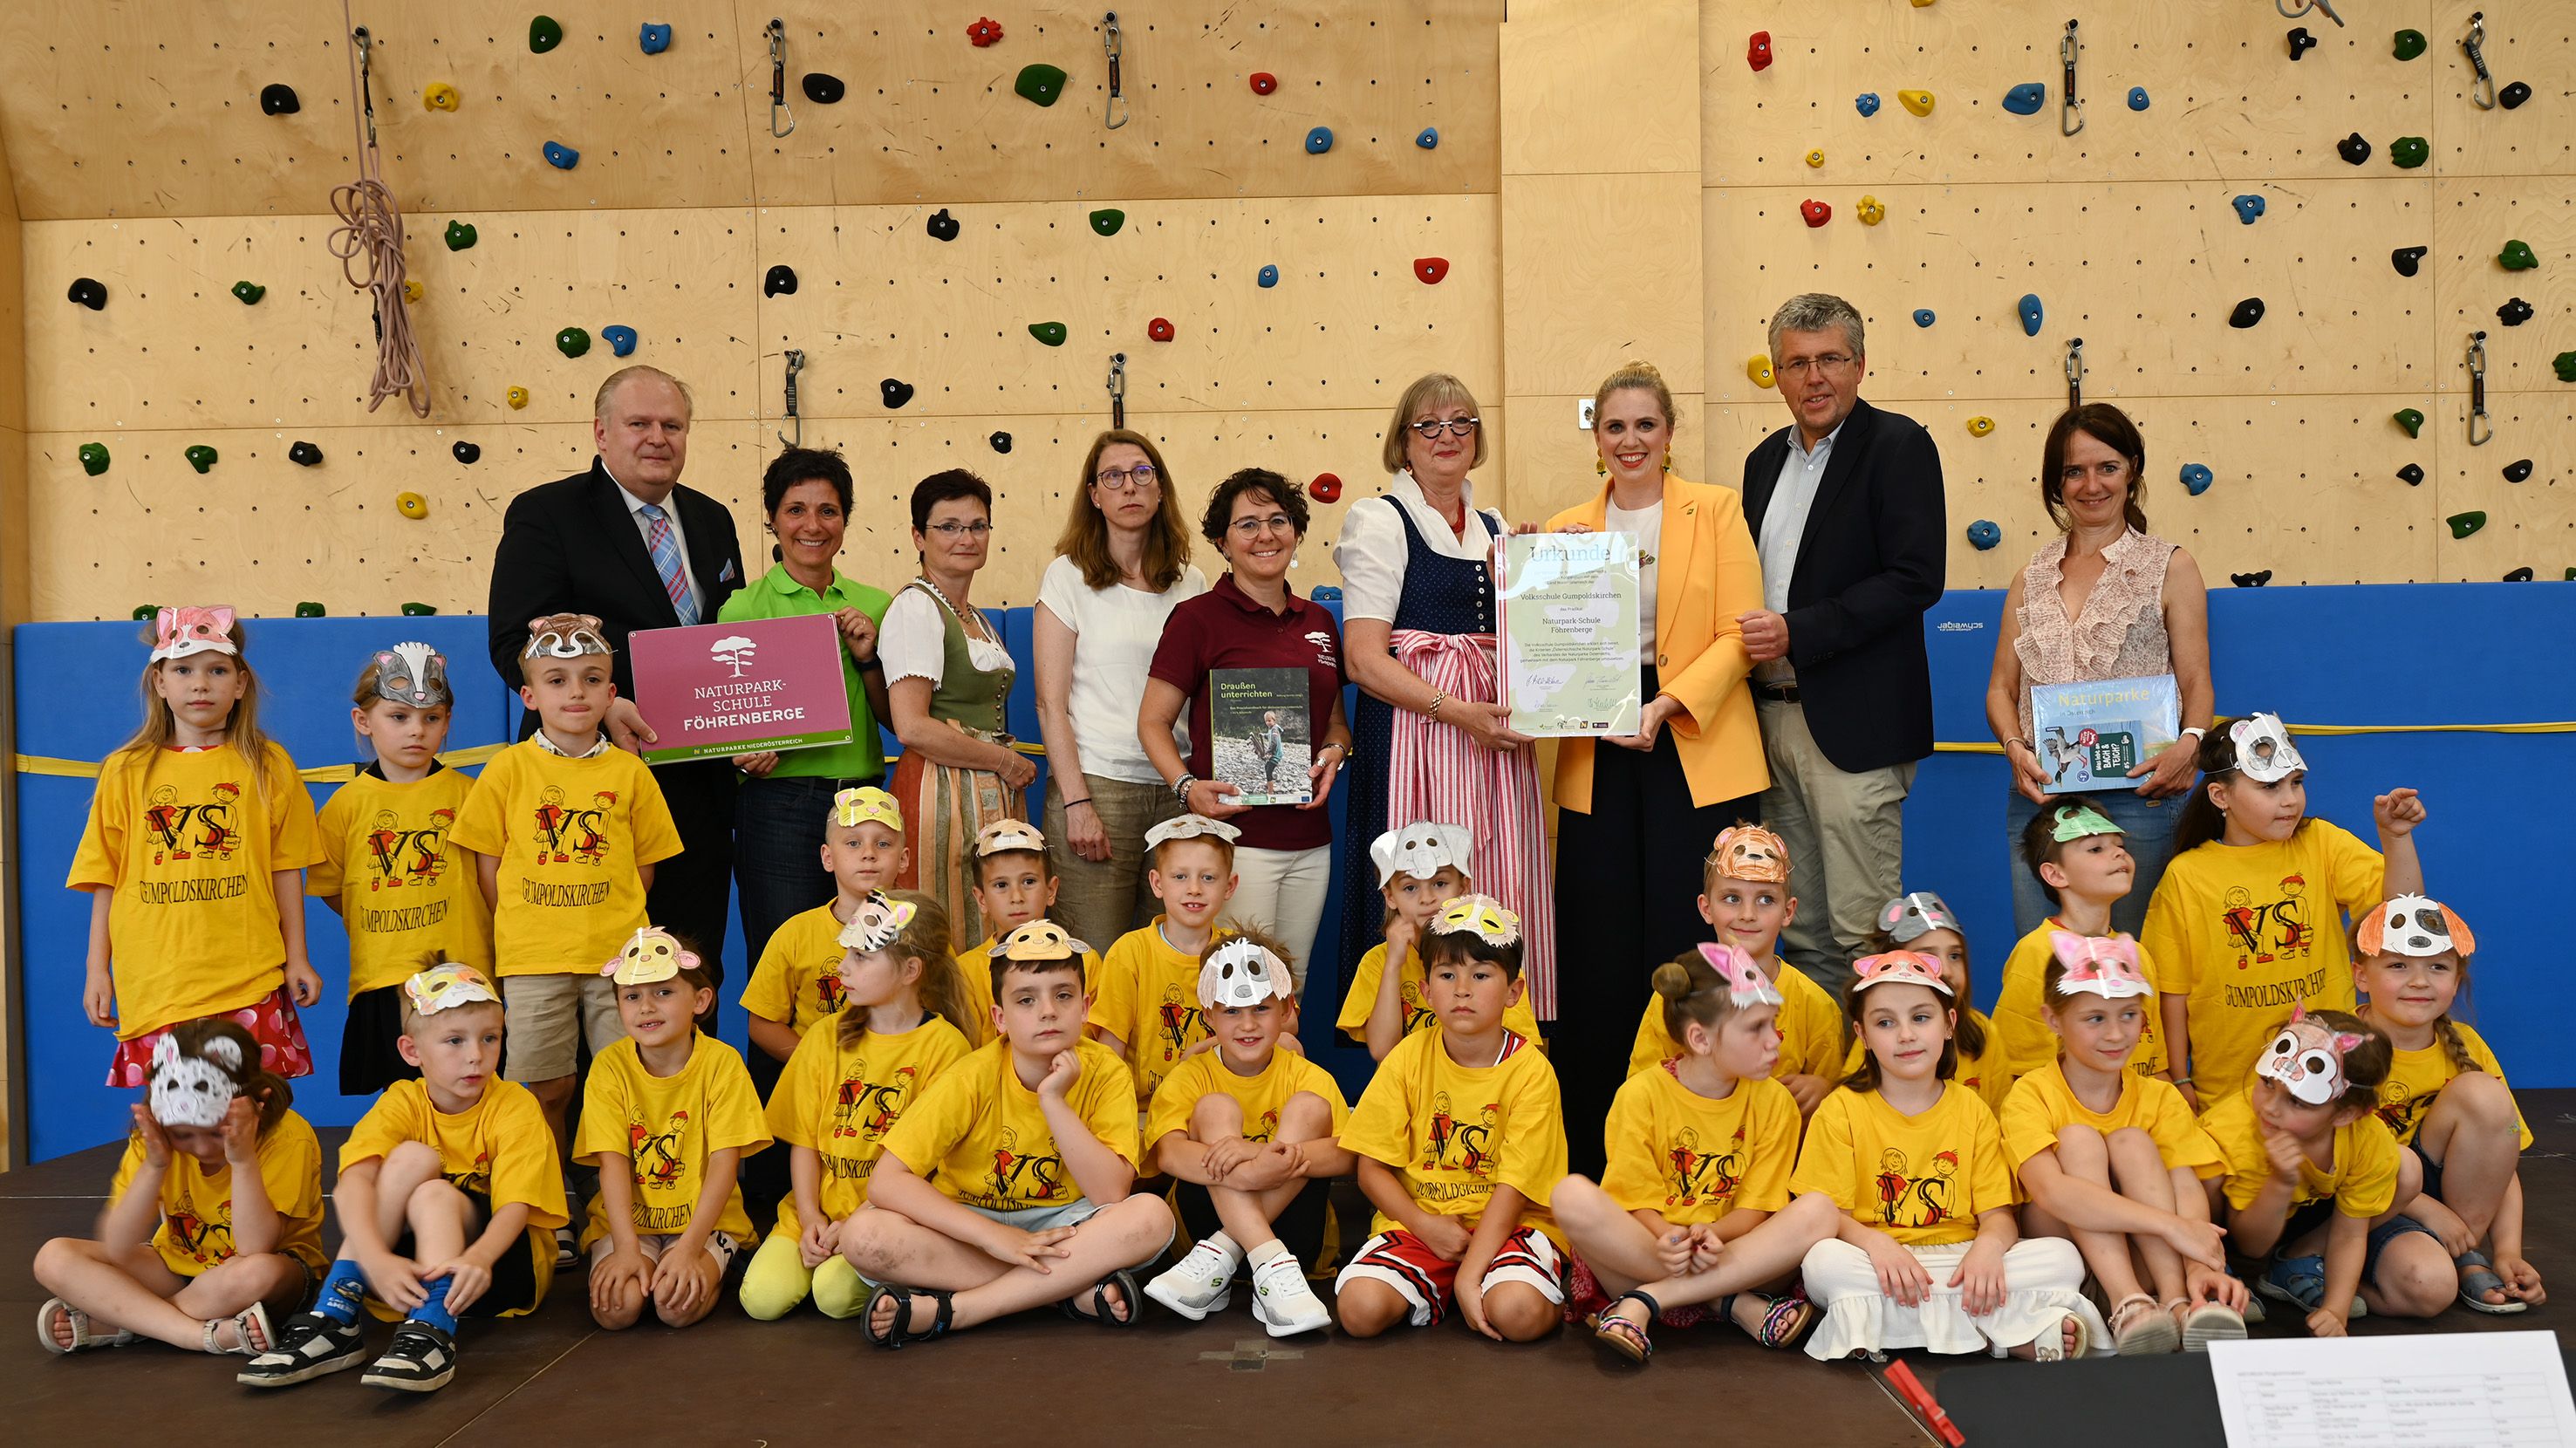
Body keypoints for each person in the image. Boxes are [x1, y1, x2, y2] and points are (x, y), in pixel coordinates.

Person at [1548, 361, 1770, 1147]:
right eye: (1615, 426)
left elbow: (1744, 630)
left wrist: (1666, 705)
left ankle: (1704, 1134)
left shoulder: (1715, 509)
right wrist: (1552, 579)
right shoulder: (1563, 527)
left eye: (1646, 424)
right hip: (1595, 744)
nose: (1630, 439)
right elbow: (1543, 649)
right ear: (1596, 438)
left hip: (1694, 735)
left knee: (1688, 941)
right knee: (1599, 947)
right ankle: (1597, 1146)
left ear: (1669, 434)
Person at [487, 365, 745, 1021]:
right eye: (640, 424)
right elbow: (514, 641)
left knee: (689, 960)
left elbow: (727, 638)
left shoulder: (713, 520)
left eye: (672, 425)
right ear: (602, 433)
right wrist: (606, 706)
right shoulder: (547, 513)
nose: (657, 438)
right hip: (585, 789)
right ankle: (590, 1121)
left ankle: (688, 1112)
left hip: (698, 787)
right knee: (592, 977)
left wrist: (756, 725)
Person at [1739, 295, 1946, 998]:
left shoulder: (1898, 445)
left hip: (1852, 727)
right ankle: (1825, 1089)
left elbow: (1916, 578)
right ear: (1775, 375)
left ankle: (1879, 1094)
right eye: (1796, 363)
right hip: (1768, 719)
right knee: (1795, 931)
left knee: (1864, 930)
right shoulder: (1761, 461)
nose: (1814, 377)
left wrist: (1800, 630)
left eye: (1829, 358)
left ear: (1859, 365)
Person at [840, 920, 1178, 1343]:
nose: (1048, 1010)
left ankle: (956, 1311)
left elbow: (1110, 1193)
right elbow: (886, 1182)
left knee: (1152, 1217)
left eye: (1064, 995)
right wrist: (997, 1237)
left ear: (1086, 1006)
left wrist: (1053, 1101)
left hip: (1067, 1225)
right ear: (1000, 1018)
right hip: (973, 1228)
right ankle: (1068, 1293)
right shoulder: (971, 1075)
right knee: (864, 1236)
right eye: (1026, 1000)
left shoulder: (1106, 1070)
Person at [239, 965, 567, 1394]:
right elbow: (354, 1182)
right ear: (412, 1052)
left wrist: (480, 1258)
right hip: (409, 1271)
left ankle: (432, 1329)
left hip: (492, 1267)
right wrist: (375, 1259)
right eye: (455, 1041)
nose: (476, 1055)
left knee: (433, 1192)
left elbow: (516, 1206)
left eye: (490, 1038)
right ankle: (337, 1311)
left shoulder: (513, 1104)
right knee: (411, 1158)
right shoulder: (403, 1100)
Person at [1333, 372, 1549, 1014]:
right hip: (1415, 740)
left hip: (1489, 745)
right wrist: (1456, 712)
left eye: (1462, 423)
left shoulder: (1494, 526)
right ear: (1403, 442)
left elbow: (1526, 641)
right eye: (1428, 425)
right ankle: (1410, 1055)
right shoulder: (1379, 519)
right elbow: (1364, 660)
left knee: (1489, 873)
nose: (1446, 436)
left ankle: (1497, 1036)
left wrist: (1549, 574)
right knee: (1418, 887)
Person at [448, 615, 682, 1184]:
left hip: (617, 959)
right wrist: (525, 924)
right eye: (556, 680)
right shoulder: (506, 770)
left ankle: (622, 1204)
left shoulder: (630, 774)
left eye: (590, 678)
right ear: (528, 694)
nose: (575, 692)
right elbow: (488, 864)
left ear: (611, 691)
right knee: (546, 1088)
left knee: (625, 1084)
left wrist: (611, 917)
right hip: (533, 959)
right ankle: (551, 1207)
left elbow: (644, 865)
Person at [1793, 951, 2105, 1363]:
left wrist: (1988, 1250)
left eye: (1921, 1018)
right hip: (1876, 1260)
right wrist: (1878, 1246)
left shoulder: (1972, 1109)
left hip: (1960, 1258)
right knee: (1823, 1264)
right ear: (1863, 1035)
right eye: (1885, 1022)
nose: (1905, 1035)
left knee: (2062, 1259)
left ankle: (1894, 1330)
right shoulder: (1841, 1108)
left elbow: (1998, 1216)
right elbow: (1832, 1217)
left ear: (1949, 1025)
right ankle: (1997, 1334)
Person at [1986, 405, 2215, 939]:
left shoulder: (2170, 566)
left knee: (2136, 959)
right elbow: (2001, 688)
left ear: (2132, 469)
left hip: (2139, 799)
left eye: (2106, 467)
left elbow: (2197, 681)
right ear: (2055, 483)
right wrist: (2014, 749)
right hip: (2039, 800)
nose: (2091, 485)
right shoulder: (2031, 577)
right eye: (2074, 471)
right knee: (2048, 961)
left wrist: (2191, 743)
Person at [1552, 946, 1840, 1365]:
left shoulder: (1776, 1102)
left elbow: (1758, 1208)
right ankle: (1731, 1304)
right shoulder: (1640, 1096)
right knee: (1570, 1195)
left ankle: (1647, 1300)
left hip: (1736, 1250)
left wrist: (1717, 1234)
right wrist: (1669, 1237)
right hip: (1653, 1249)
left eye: (1773, 1025)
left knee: (1819, 1209)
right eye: (1755, 1028)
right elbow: (1635, 1201)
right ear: (1701, 1039)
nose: (1773, 1040)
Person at [72, 605, 323, 1084]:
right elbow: (105, 876)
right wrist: (96, 970)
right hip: (157, 978)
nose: (200, 684)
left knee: (248, 1114)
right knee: (175, 1119)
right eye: (183, 670)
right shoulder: (125, 769)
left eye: (217, 670)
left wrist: (298, 956)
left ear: (240, 684)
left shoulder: (267, 764)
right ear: (159, 682)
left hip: (247, 975)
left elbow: (286, 868)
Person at [2142, 714, 2425, 1106]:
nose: (2290, 799)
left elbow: (2401, 914)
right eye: (2269, 786)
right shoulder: (2186, 875)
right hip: (2230, 1091)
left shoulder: (2320, 843)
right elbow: (2171, 990)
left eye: (2296, 782)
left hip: (2331, 1079)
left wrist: (2396, 839)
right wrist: (2179, 1076)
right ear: (2220, 797)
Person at [1143, 469, 1353, 980]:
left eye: (1278, 521)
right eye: (1248, 524)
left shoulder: (1320, 623)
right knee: (1238, 991)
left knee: (1290, 990)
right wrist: (1186, 785)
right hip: (1238, 840)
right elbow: (1152, 722)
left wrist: (1333, 753)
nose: (1265, 535)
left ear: (1297, 532)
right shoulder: (1196, 618)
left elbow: (1336, 724)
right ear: (1223, 541)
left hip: (1311, 839)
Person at [1334, 896, 1568, 1343]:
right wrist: (1425, 1227)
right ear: (1424, 991)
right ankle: (1440, 1287)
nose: (1462, 989)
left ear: (1514, 992)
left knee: (1516, 1314)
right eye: (1446, 975)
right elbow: (1370, 1168)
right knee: (1359, 1312)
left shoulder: (1532, 1071)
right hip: (1424, 1224)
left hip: (1510, 1225)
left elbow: (1515, 1188)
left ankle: (1478, 1285)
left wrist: (1468, 1274)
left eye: (1481, 975)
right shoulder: (1406, 1057)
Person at [2000, 936, 2245, 1355]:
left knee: (2133, 1142)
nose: (2116, 1033)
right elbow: (2051, 1193)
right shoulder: (2030, 1094)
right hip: (2069, 1268)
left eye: (2129, 1014)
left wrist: (2199, 1265)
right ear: (2053, 1019)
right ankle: (2126, 1304)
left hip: (2149, 1264)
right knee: (2078, 1140)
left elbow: (2185, 1185)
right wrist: (2172, 1227)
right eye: (2095, 1018)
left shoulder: (2160, 1097)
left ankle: (2178, 1303)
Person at [741, 891, 973, 1321]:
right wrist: (810, 1215)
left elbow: (929, 1169)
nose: (844, 967)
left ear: (910, 970)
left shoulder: (947, 1049)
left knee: (831, 1296)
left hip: (888, 1219)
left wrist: (852, 1227)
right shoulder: (824, 1036)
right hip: (815, 1209)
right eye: (846, 952)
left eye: (862, 957)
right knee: (761, 1300)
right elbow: (805, 1142)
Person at [717, 447, 896, 994]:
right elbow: (721, 722)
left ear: (845, 520)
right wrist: (739, 753)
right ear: (771, 518)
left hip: (863, 804)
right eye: (796, 510)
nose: (812, 526)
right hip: (777, 807)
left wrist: (868, 655)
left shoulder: (877, 605)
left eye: (828, 511)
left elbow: (896, 721)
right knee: (783, 970)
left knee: (873, 964)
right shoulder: (741, 609)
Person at [35, 1021, 323, 1357]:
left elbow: (255, 1247)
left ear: (254, 1105)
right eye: (184, 1136)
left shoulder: (287, 1137)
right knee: (53, 1257)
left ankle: (127, 1321)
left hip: (259, 1279)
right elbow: (118, 1244)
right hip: (173, 1268)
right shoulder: (156, 1138)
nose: (201, 1148)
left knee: (259, 1271)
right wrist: (154, 1165)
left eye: (216, 1133)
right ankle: (193, 1333)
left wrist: (242, 1159)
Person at [1034, 429, 1208, 952]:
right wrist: (1077, 801)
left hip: (1177, 789)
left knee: (1169, 961)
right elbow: (1050, 703)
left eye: (1142, 473)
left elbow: (1205, 700)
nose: (1129, 486)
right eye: (1113, 476)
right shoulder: (1067, 576)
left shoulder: (1192, 582)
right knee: (1094, 959)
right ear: (1094, 494)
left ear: (1160, 489)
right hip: (1098, 787)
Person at [1142, 930, 1352, 1336]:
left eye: (1260, 1008)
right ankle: (1265, 1257)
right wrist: (1251, 1170)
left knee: (1310, 1108)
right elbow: (1168, 1155)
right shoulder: (1191, 1076)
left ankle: (1233, 1250)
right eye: (1232, 1012)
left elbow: (1347, 1155)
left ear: (1288, 1009)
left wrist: (1254, 1160)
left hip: (1295, 1241)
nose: (1248, 1024)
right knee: (1215, 1108)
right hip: (1197, 1236)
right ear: (1207, 1015)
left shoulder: (1308, 1077)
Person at [311, 642, 493, 1096]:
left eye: (431, 718)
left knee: (469, 1093)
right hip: (384, 975)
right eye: (399, 717)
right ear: (363, 721)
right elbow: (334, 888)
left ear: (447, 722)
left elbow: (493, 883)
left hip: (464, 973)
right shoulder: (345, 806)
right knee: (400, 1100)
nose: (417, 730)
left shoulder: (471, 797)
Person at [2201, 1007, 2451, 1332]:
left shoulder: (2366, 1138)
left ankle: (2296, 1262)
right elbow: (2251, 1246)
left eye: (2298, 1101)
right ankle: (2212, 1266)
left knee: (2405, 1167)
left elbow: (2350, 1233)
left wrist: (2336, 1309)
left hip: (2306, 1219)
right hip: (2233, 1228)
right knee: (2202, 1169)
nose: (2270, 1107)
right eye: (2267, 1083)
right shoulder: (2238, 1132)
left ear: (2346, 1115)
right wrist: (2280, 1182)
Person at [2351, 896, 2545, 1314]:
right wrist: (2425, 1208)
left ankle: (2464, 1252)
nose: (2420, 982)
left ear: (2456, 981)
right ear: (2361, 975)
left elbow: (2500, 1162)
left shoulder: (2468, 1046)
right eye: (2398, 965)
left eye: (2437, 967)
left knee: (2485, 1094)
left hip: (2432, 1194)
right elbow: (2332, 1163)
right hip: (2359, 1201)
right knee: (2430, 1289)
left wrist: (2508, 1250)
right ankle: (2333, 1273)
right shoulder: (2339, 1044)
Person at [577, 927, 771, 1330]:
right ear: (618, 1007)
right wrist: (627, 1247)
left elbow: (723, 1163)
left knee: (674, 1307)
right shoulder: (609, 1067)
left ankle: (717, 1263)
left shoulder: (722, 1063)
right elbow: (611, 1163)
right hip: (631, 1223)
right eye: (632, 996)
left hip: (705, 1223)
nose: (646, 1007)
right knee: (617, 1310)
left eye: (663, 992)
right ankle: (649, 1258)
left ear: (700, 1001)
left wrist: (687, 1248)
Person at [881, 469, 1034, 945]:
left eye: (978, 525)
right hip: (939, 793)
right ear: (917, 537)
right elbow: (912, 727)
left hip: (983, 790)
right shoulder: (916, 609)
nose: (965, 538)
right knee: (946, 923)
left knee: (988, 928)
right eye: (948, 526)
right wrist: (1005, 761)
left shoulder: (975, 617)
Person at [1627, 827, 1842, 1119]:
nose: (1748, 914)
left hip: (1780, 1159)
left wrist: (1825, 1088)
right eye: (1732, 898)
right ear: (1706, 907)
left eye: (1766, 899)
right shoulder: (1678, 995)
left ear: (1788, 911)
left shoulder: (1815, 1004)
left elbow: (1844, 1106)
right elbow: (1640, 1091)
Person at [740, 787, 908, 1083]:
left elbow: (941, 1012)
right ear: (827, 857)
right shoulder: (795, 933)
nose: (868, 854)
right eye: (853, 843)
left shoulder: (919, 932)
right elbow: (762, 1022)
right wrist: (816, 1060)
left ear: (904, 859)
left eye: (883, 844)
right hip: (815, 1086)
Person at [1994, 799, 2168, 1081]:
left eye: (2120, 847)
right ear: (2055, 874)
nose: (2118, 855)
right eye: (2096, 849)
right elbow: (2017, 1067)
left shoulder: (2136, 953)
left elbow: (2154, 1061)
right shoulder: (2036, 952)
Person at [1338, 821, 1539, 1060]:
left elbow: (1523, 1054)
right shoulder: (1377, 962)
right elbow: (1383, 1051)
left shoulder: (1492, 953)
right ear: (1390, 896)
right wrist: (1393, 964)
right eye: (1410, 887)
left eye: (1440, 883)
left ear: (1464, 886)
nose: (1427, 898)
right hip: (1412, 1087)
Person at [1090, 815, 1242, 1107]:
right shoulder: (1130, 952)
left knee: (1289, 1045)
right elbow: (1110, 1050)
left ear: (1229, 886)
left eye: (1208, 877)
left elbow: (1285, 1025)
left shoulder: (1238, 951)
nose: (1194, 889)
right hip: (1149, 1104)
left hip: (1221, 1101)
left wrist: (1212, 1045)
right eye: (1180, 877)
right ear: (1157, 883)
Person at [1836, 893, 2014, 1115]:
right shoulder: (1879, 1038)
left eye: (1955, 956)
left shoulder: (1984, 1032)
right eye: (1927, 957)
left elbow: (2000, 1118)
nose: (1947, 970)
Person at [952, 819, 1105, 1047]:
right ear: (981, 898)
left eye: (1029, 881)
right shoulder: (966, 971)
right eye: (1001, 885)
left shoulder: (1085, 959)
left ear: (1050, 890)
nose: (1016, 897)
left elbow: (1091, 1044)